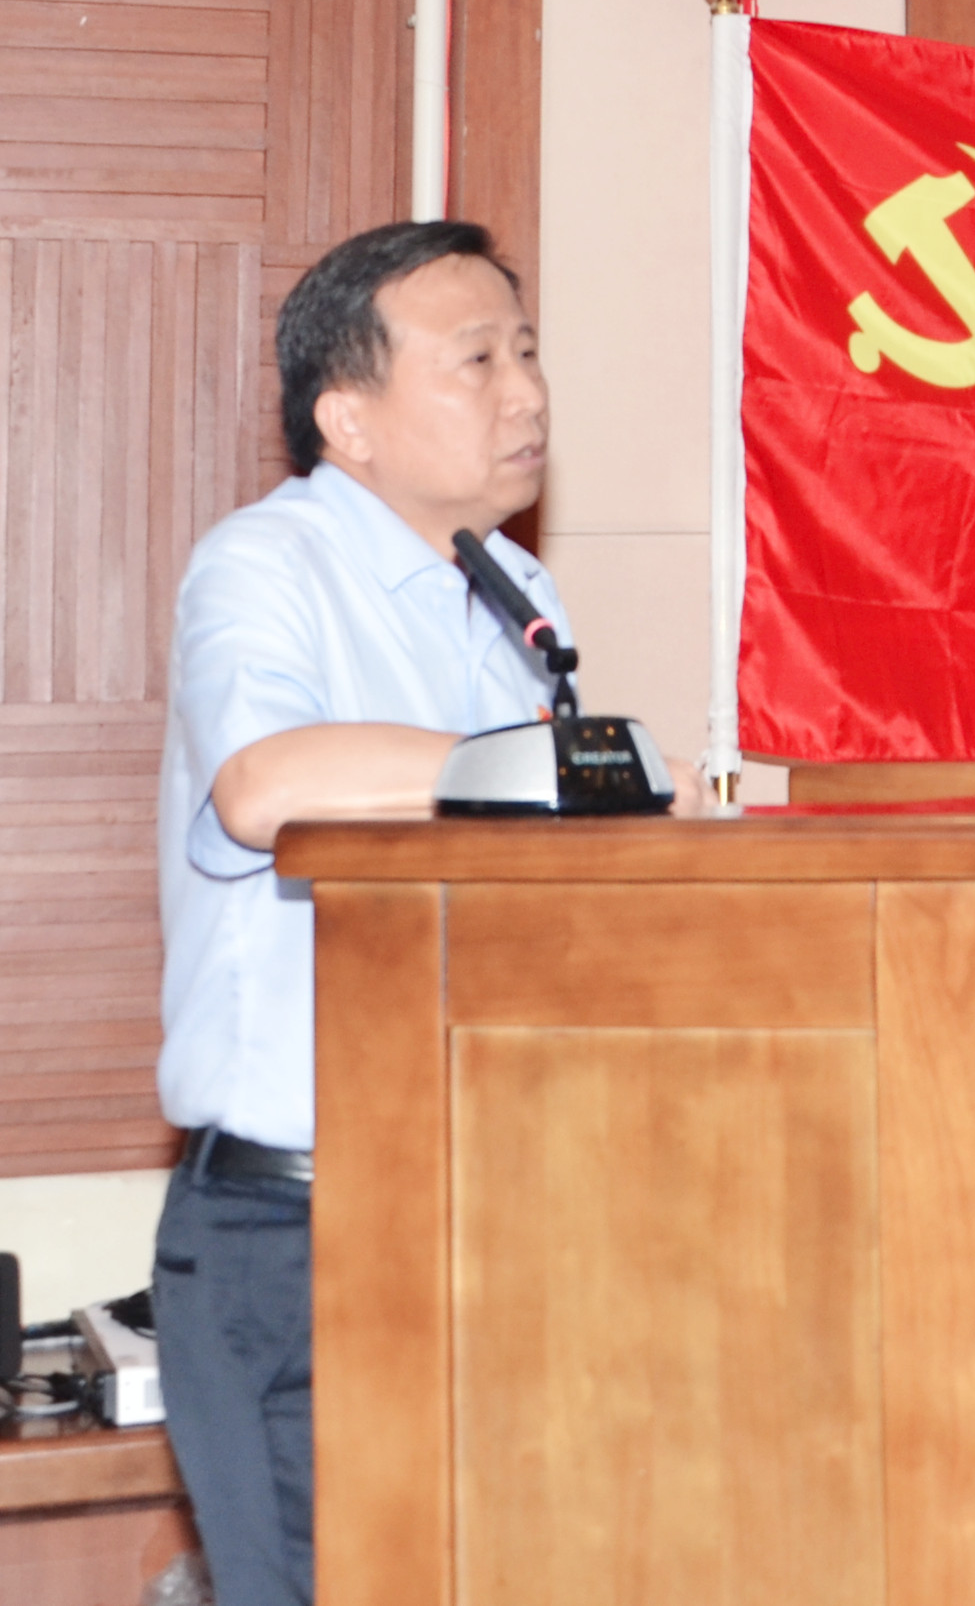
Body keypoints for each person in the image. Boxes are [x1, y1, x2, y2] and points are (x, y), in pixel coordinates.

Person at [154, 221, 586, 1606]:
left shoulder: (514, 593)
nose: (526, 393)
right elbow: (263, 784)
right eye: (478, 361)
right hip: (302, 1234)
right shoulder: (265, 565)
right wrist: (548, 766)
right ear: (349, 418)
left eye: (528, 353)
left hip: (495, 1208)